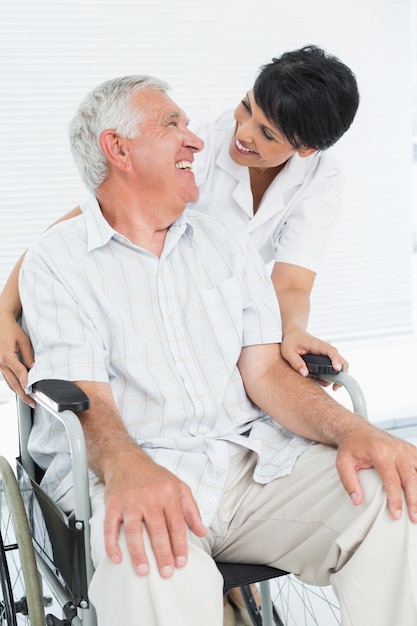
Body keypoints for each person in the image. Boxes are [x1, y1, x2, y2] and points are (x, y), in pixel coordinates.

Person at [18, 75, 417, 626]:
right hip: (137, 466)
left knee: (395, 501)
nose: (199, 141)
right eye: (172, 126)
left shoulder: (225, 244)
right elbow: (85, 396)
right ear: (119, 150)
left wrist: (353, 429)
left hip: (250, 464)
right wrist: (129, 466)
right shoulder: (59, 261)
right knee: (148, 554)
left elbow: (266, 375)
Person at [0, 45, 359, 409]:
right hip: (157, 310)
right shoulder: (195, 138)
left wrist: (291, 332)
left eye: (266, 133)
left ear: (306, 149)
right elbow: (88, 218)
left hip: (223, 320)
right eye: (247, 106)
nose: (244, 132)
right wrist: (3, 310)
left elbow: (292, 284)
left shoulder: (322, 177)